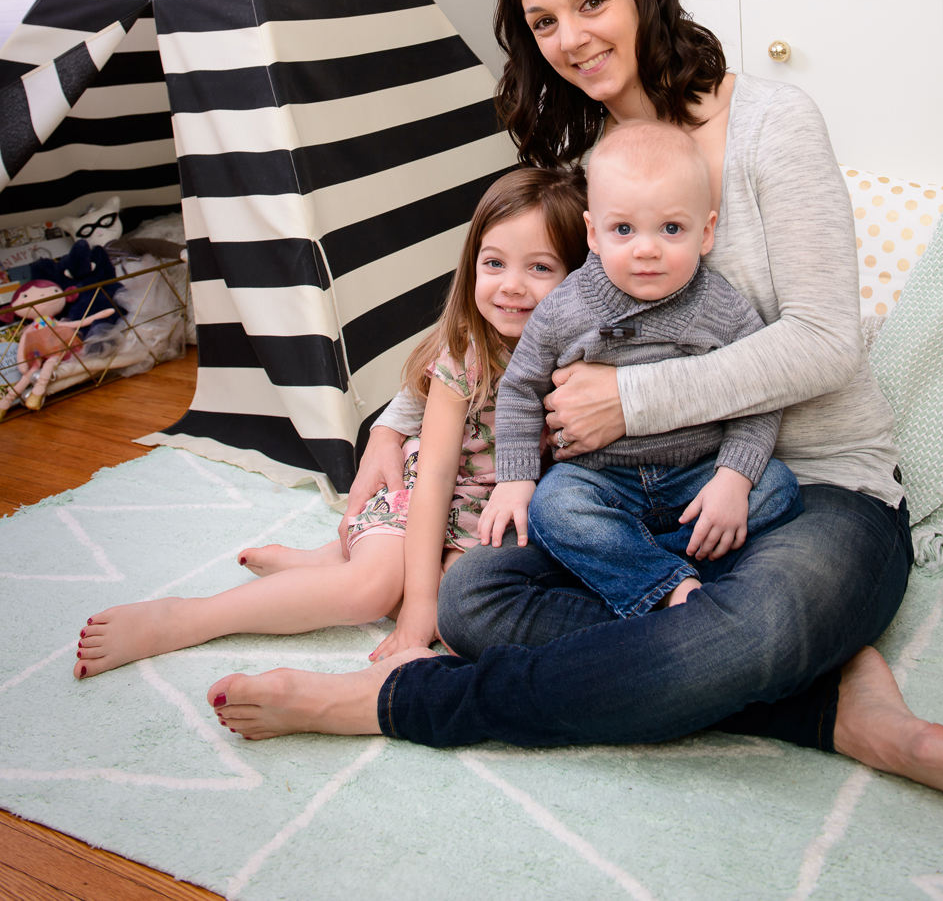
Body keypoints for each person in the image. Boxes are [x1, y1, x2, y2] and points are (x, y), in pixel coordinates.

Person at [205, 0, 943, 808]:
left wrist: (631, 401)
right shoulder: (590, 169)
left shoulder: (770, 123)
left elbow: (824, 340)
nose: (570, 38)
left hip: (813, 484)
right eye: (543, 22)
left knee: (753, 626)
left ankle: (400, 699)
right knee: (473, 600)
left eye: (590, 2)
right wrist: (399, 416)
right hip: (637, 496)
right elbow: (513, 306)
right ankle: (826, 699)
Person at [74, 168, 587, 680]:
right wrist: (415, 612)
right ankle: (186, 619)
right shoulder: (466, 356)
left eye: (540, 267)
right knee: (376, 590)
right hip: (431, 502)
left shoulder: (586, 358)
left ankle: (324, 560)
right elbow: (433, 480)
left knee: (468, 617)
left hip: (491, 522)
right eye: (494, 263)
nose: (512, 287)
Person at [481, 121, 800, 616]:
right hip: (601, 481)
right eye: (623, 229)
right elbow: (521, 390)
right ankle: (674, 584)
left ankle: (639, 573)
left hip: (698, 477)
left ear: (706, 232)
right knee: (552, 508)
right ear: (593, 232)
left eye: (671, 229)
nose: (646, 249)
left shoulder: (723, 307)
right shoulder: (565, 309)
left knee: (777, 487)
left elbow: (759, 395)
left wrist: (733, 480)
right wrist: (515, 478)